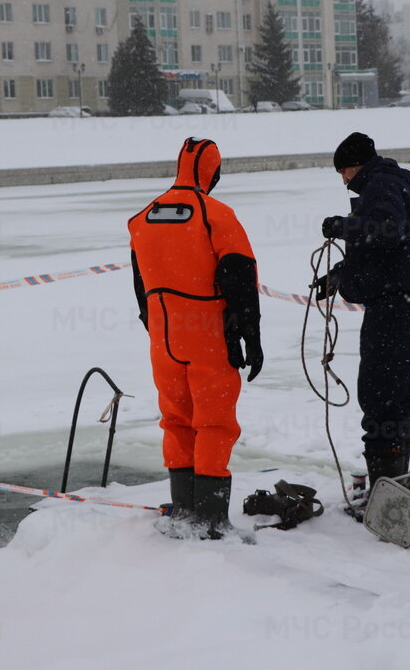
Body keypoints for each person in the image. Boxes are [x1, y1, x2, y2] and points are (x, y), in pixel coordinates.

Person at [128, 138, 262, 539]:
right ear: (212, 172)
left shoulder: (144, 217)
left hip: (163, 338)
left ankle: (183, 511)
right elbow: (240, 279)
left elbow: (139, 284)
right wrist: (250, 337)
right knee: (215, 423)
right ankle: (211, 518)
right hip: (206, 334)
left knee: (176, 420)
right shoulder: (216, 215)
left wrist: (155, 325)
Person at [314, 132, 410, 503]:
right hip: (400, 303)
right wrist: (340, 275)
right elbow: (384, 251)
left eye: (343, 171)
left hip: (395, 308)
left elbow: (385, 232)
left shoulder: (380, 186)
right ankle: (391, 483)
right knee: (390, 394)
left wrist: (342, 226)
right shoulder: (391, 185)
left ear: (355, 165)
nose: (343, 180)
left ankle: (387, 492)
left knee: (380, 394)